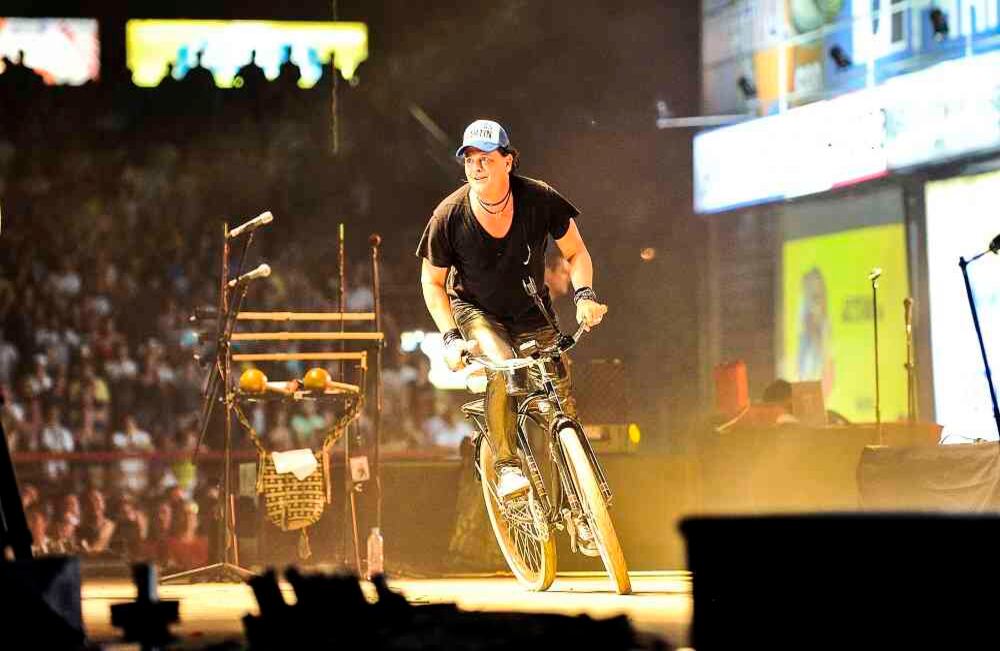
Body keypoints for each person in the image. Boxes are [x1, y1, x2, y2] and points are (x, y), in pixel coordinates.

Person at [416, 119, 607, 500]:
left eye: (486, 158)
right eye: (469, 159)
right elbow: (432, 283)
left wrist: (584, 294)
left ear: (509, 160)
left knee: (561, 404)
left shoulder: (539, 198)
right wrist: (451, 338)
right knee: (503, 368)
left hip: (531, 309)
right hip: (477, 312)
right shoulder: (449, 216)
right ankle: (506, 467)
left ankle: (583, 506)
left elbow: (576, 252)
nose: (476, 167)